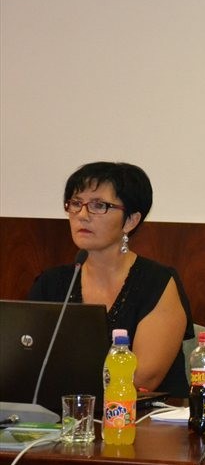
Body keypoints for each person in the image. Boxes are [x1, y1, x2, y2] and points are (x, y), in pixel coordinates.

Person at [28, 162, 193, 396]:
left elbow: (142, 379)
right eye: (76, 204)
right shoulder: (51, 284)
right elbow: (27, 364)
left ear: (131, 220)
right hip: (64, 414)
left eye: (99, 205)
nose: (82, 215)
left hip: (143, 416)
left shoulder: (157, 283)